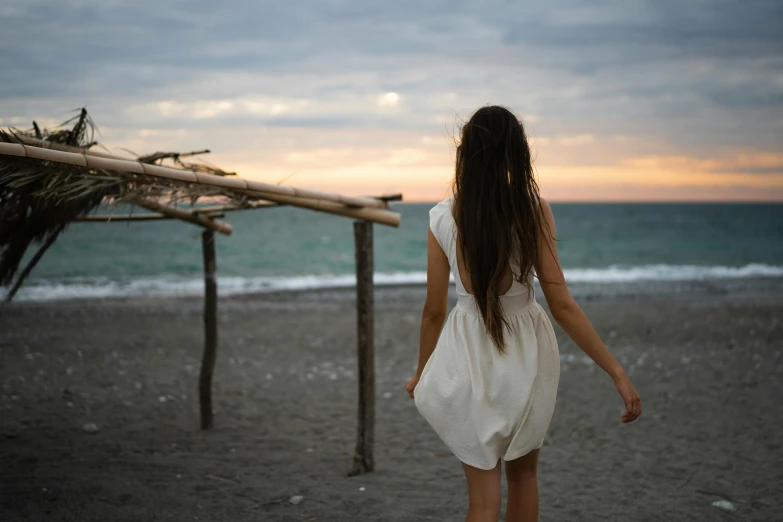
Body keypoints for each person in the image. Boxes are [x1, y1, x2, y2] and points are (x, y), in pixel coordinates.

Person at [405, 105, 642, 522]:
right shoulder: (533, 209)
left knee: (481, 501)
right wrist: (616, 372)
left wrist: (422, 372)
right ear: (518, 154)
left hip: (467, 352)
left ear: (465, 154)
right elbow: (563, 305)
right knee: (523, 480)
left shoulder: (443, 216)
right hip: (528, 353)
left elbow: (433, 310)